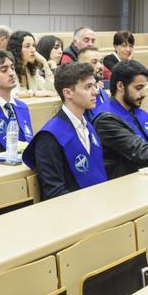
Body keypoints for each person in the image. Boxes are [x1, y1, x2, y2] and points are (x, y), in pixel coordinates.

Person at [22, 63, 104, 199]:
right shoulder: (49, 137)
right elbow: (54, 192)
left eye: (94, 85)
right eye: (88, 87)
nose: (95, 91)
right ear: (68, 93)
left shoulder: (89, 127)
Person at [8, 30, 54, 97]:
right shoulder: (8, 69)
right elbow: (10, 94)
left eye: (33, 46)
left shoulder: (31, 69)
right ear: (17, 49)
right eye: (27, 46)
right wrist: (34, 93)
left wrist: (45, 63)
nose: (33, 50)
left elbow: (50, 90)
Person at [77, 46, 109, 119]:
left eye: (101, 62)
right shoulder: (79, 97)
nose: (100, 66)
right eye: (94, 62)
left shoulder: (103, 93)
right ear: (81, 66)